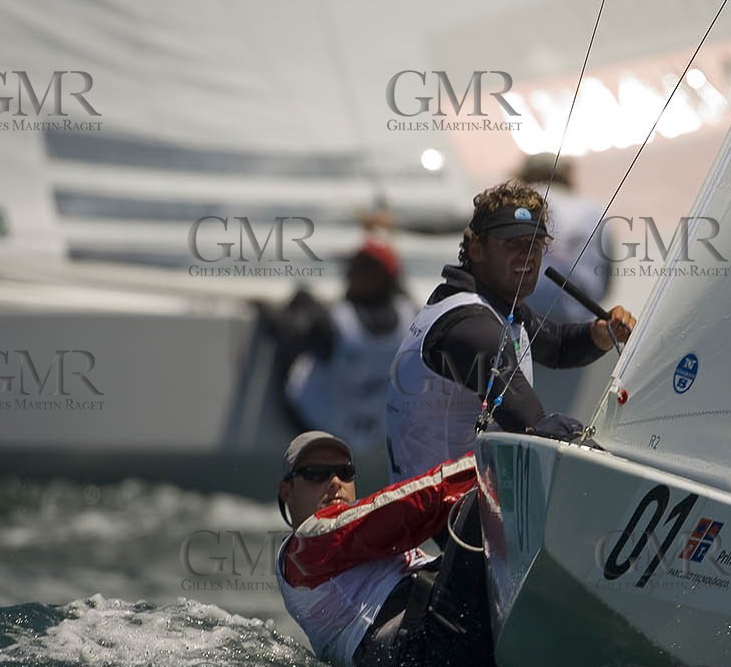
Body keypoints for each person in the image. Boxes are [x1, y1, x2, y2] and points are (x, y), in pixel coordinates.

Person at [383, 181, 636, 482]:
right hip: (438, 508)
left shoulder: (492, 306)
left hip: (459, 501)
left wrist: (601, 333)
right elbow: (534, 426)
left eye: (535, 245)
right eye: (512, 244)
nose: (527, 257)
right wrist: (624, 471)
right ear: (476, 249)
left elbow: (557, 346)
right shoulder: (471, 328)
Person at [275, 430, 519, 667]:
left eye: (344, 472)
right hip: (422, 653)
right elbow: (414, 506)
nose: (335, 482)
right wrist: (496, 460)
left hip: (441, 651)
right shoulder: (305, 548)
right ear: (287, 492)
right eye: (316, 474)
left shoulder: (355, 543)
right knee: (478, 499)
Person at [261, 240, 419, 454]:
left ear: (375, 278)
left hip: (315, 425)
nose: (347, 276)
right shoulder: (411, 318)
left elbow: (285, 331)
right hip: (377, 433)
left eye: (354, 269)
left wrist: (264, 309)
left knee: (302, 300)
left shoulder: (335, 322)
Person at [514, 152, 619, 316]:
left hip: (522, 318)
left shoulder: (516, 207)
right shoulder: (594, 211)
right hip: (581, 320)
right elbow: (606, 282)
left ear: (526, 176)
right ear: (567, 176)